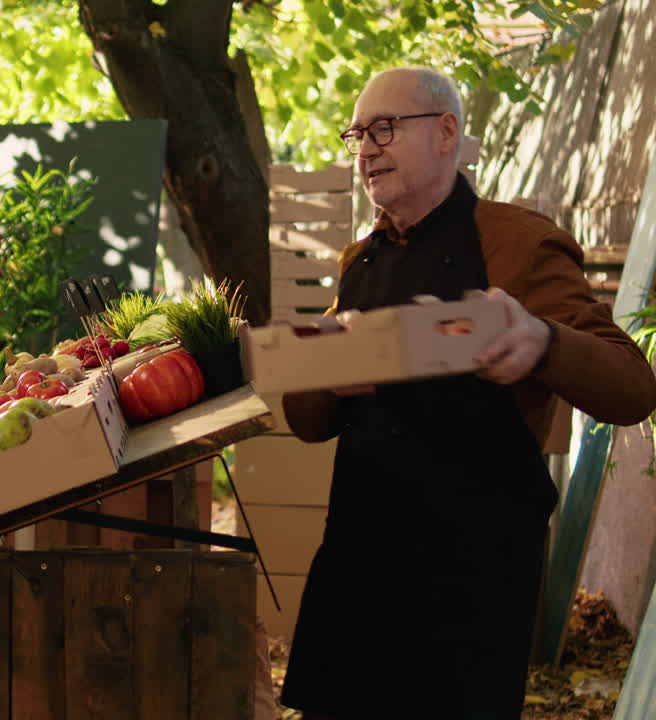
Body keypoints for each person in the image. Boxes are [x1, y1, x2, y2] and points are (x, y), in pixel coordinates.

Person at [278, 67, 656, 718]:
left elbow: (631, 388)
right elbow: (312, 424)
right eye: (356, 134)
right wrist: (314, 368)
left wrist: (539, 340)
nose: (365, 148)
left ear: (447, 132)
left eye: (384, 129)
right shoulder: (357, 261)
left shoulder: (517, 243)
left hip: (465, 592)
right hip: (357, 572)